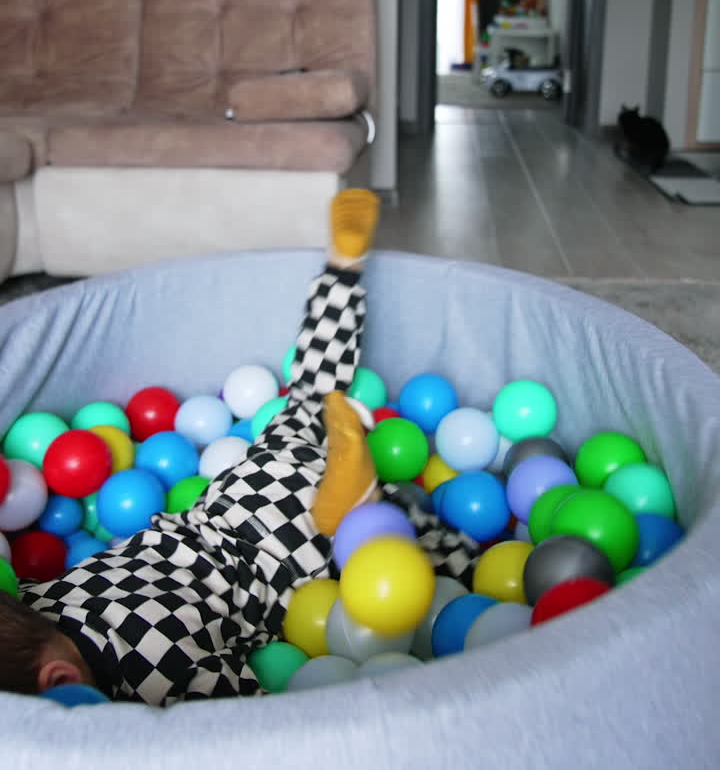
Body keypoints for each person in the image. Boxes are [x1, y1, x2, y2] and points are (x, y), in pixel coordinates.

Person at [0, 189, 479, 705]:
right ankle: (341, 274)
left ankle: (367, 501)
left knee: (432, 560)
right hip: (244, 492)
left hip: (292, 559)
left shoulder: (158, 677)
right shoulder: (40, 597)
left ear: (60, 683)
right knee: (311, 391)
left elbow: (255, 724)